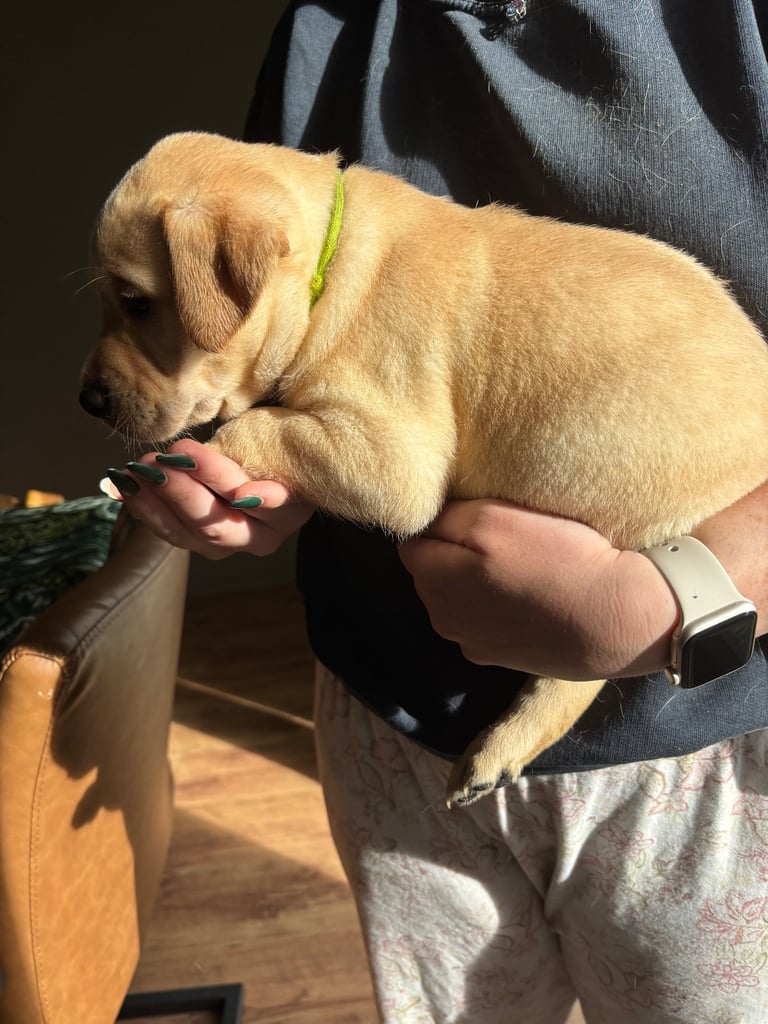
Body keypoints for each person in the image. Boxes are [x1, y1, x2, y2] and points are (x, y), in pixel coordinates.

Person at [107, 3, 768, 1020]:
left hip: (709, 754)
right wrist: (252, 476)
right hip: (396, 729)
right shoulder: (327, 32)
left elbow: (398, 477)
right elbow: (270, 334)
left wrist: (686, 596)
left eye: (134, 304)